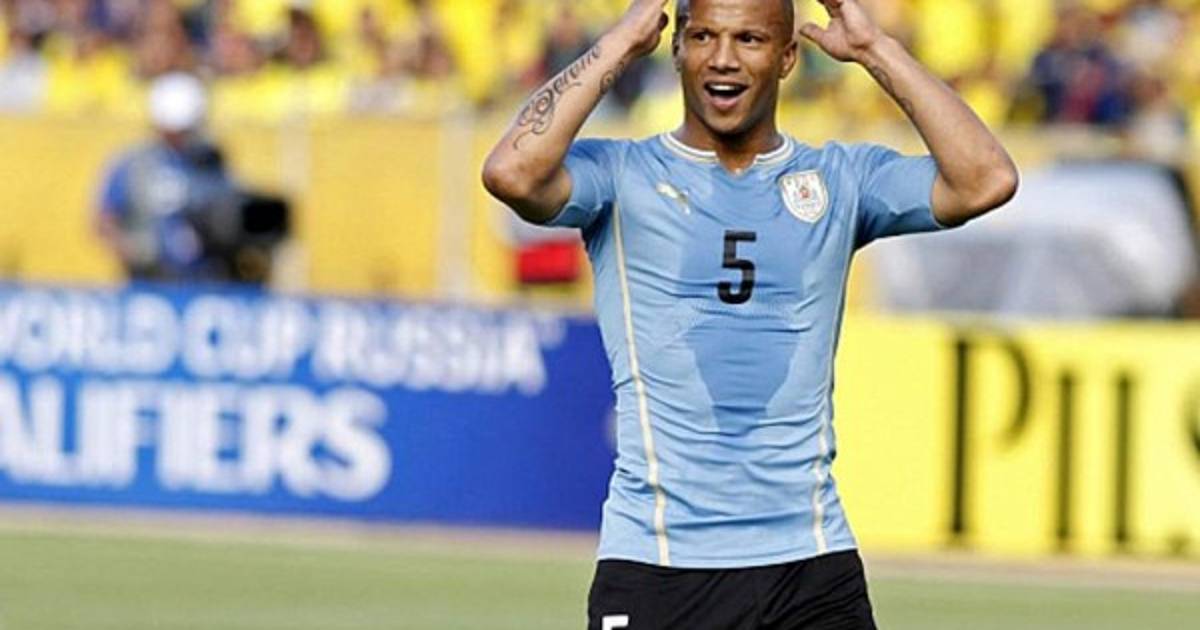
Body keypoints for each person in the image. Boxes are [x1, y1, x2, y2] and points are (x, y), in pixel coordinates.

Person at [482, 0, 1017, 628]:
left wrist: (877, 51)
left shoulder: (839, 180)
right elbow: (511, 172)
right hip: (658, 565)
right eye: (703, 36)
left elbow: (985, 179)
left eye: (749, 40)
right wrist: (619, 42)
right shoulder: (622, 176)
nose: (723, 58)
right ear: (677, 49)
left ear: (787, 57)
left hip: (809, 565)